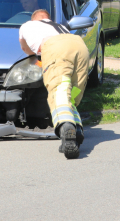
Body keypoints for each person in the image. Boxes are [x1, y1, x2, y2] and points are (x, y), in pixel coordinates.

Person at [18, 9, 89, 159]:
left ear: (34, 18)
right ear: (47, 18)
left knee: (59, 90)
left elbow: (26, 50)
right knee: (73, 91)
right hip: (79, 44)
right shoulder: (60, 27)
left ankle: (66, 126)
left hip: (55, 48)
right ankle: (76, 128)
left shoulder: (27, 25)